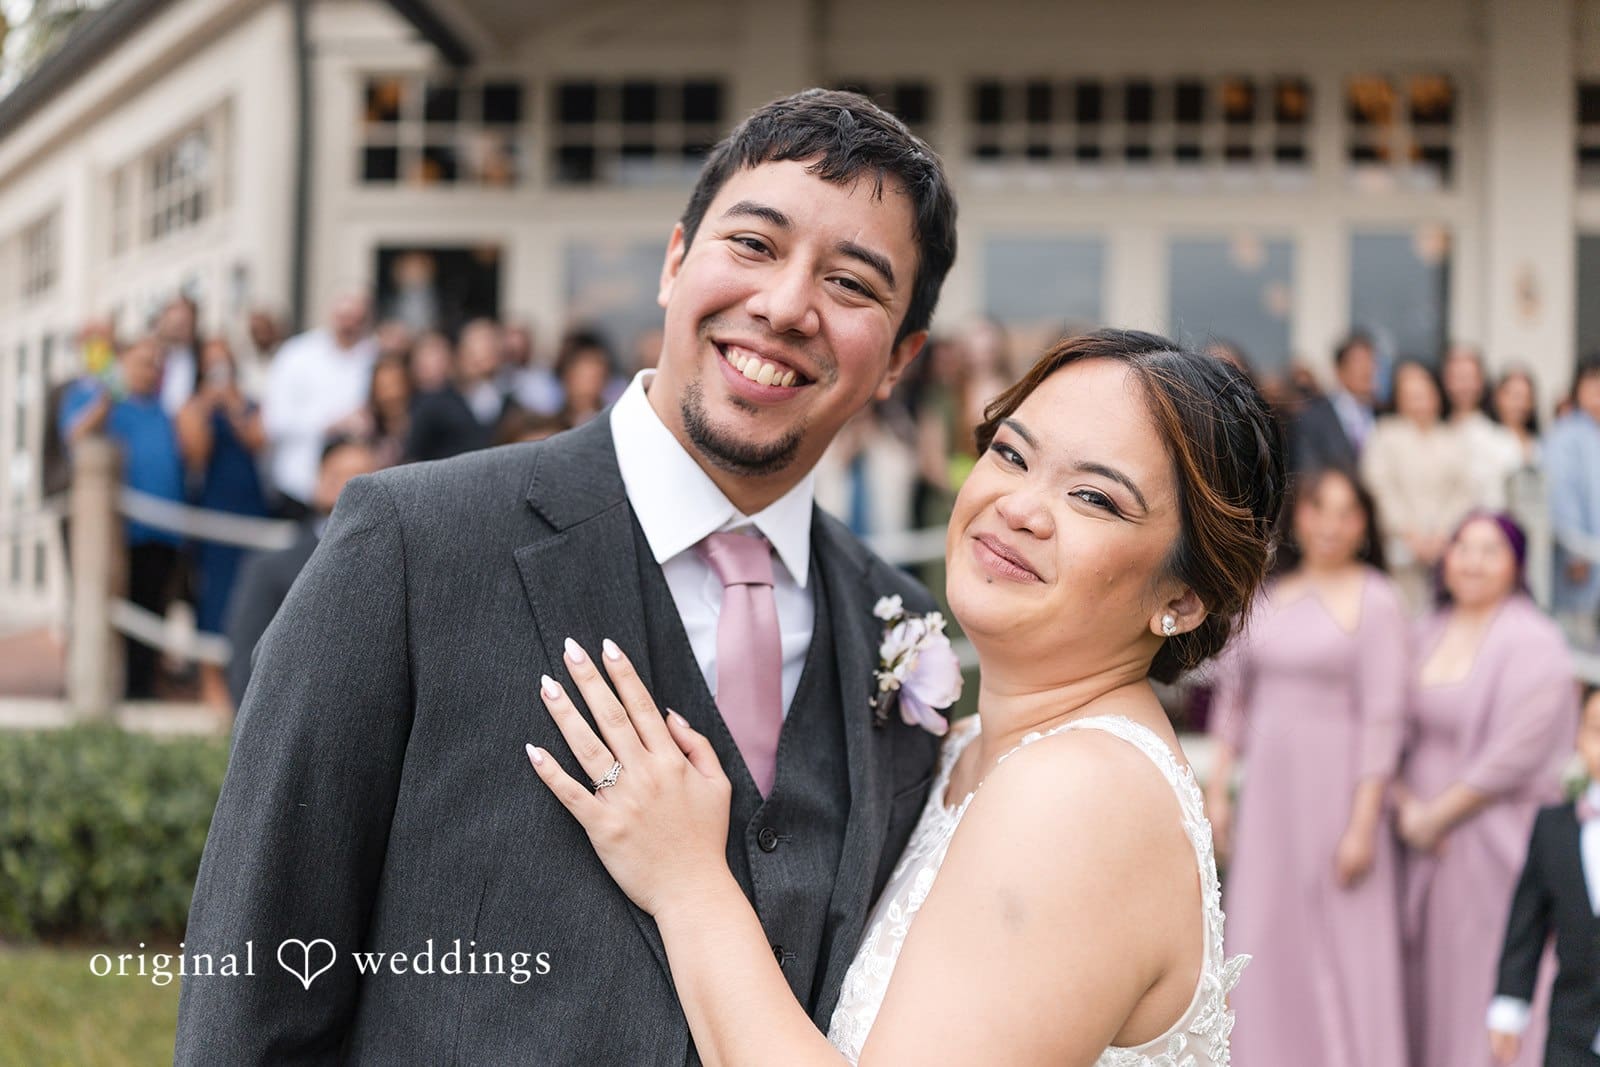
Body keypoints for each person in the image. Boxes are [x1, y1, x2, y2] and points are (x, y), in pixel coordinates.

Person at [175, 88, 958, 1063]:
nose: (787, 303)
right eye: (754, 245)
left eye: (851, 284)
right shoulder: (413, 543)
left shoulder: (902, 630)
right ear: (675, 262)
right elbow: (250, 992)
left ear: (899, 359)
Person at [524, 329, 1284, 1065]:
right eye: (1011, 453)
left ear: (1185, 597)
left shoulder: (1083, 792)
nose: (1020, 505)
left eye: (1093, 496)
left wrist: (687, 879)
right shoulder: (972, 747)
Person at [1204, 467, 1410, 1067]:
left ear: (1363, 524)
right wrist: (1219, 791)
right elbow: (1232, 702)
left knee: (1346, 940)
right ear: (1301, 518)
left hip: (1339, 796)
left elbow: (1384, 717)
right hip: (1269, 795)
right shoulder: (1265, 595)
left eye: (1348, 512)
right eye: (1322, 508)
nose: (1333, 524)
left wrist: (1364, 823)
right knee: (1264, 932)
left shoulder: (1377, 599)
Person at [1398, 512, 1580, 1067]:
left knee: (1491, 967)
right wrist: (1405, 805)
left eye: (1490, 550)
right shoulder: (1423, 631)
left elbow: (1516, 751)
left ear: (1517, 565)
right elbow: (1387, 724)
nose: (1472, 561)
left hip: (1493, 836)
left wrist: (1438, 816)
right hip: (1413, 835)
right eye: (1462, 547)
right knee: (1431, 975)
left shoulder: (1537, 641)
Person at [59, 337, 185, 698]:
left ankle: (141, 693)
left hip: (164, 534)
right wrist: (107, 399)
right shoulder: (96, 398)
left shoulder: (162, 408)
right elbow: (76, 435)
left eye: (156, 362)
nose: (151, 369)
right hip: (119, 535)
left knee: (151, 618)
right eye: (143, 361)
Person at [223, 435, 382, 710]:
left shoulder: (401, 565)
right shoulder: (271, 571)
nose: (350, 487)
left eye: (362, 478)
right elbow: (244, 667)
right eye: (339, 476)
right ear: (319, 483)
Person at [1488, 687, 1600, 1067]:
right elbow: (1527, 922)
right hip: (1573, 1030)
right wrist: (1509, 1006)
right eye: (1597, 730)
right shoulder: (1554, 827)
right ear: (1578, 737)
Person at [174, 337, 270, 710]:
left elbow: (259, 442)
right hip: (213, 512)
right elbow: (196, 454)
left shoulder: (249, 404)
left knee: (252, 593)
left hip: (250, 509)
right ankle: (211, 687)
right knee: (214, 599)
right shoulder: (191, 408)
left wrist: (233, 408)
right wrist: (206, 407)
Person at [1361, 359, 1478, 611]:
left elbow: (1463, 492)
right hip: (1398, 547)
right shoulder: (1385, 435)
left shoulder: (1453, 438)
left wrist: (1443, 534)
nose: (1419, 402)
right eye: (1411, 396)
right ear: (1399, 399)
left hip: (1445, 546)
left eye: (1425, 394)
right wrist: (1407, 532)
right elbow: (1379, 488)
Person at [261, 289, 377, 514]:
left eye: (357, 319)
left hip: (351, 494)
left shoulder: (372, 355)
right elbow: (274, 421)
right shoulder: (296, 354)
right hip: (297, 486)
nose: (350, 325)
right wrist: (330, 423)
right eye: (345, 317)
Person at [1545, 355, 1600, 641]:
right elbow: (1560, 495)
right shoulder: (1565, 435)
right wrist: (1576, 552)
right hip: (1581, 562)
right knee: (1578, 641)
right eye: (1592, 385)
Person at [404, 318, 506, 461]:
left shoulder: (510, 401)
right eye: (481, 343)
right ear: (461, 352)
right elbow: (414, 454)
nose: (488, 349)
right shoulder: (435, 404)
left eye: (492, 342)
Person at [1290, 334, 1378, 474]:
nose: (1368, 369)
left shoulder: (1383, 415)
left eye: (1371, 361)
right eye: (1359, 362)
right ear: (1339, 370)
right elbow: (1308, 470)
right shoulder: (1314, 419)